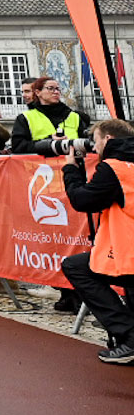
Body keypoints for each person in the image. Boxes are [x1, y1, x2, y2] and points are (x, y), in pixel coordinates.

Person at [61, 119, 134, 363]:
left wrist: (71, 169)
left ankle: (130, 337)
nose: (94, 146)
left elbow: (83, 200)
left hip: (128, 254)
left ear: (108, 139)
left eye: (96, 140)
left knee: (76, 267)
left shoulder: (115, 168)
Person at [11, 76, 83, 156]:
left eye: (58, 89)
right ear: (38, 92)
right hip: (42, 163)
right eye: (50, 88)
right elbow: (18, 147)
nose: (56, 92)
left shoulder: (74, 116)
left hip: (72, 162)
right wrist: (48, 143)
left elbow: (85, 143)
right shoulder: (25, 118)